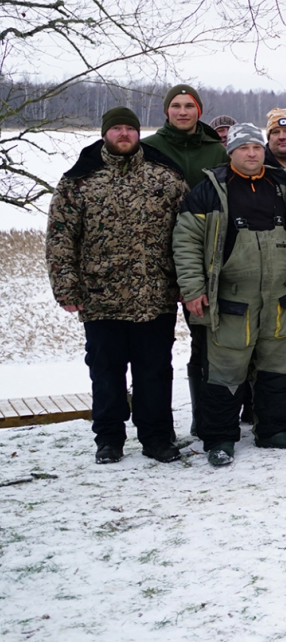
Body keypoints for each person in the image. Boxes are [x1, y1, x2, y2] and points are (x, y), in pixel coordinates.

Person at [173, 124, 286, 466]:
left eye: (257, 147)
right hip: (231, 300)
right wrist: (193, 289)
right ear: (231, 152)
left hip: (280, 297)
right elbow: (186, 244)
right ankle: (220, 438)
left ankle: (272, 431)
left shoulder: (283, 186)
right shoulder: (209, 191)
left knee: (278, 368)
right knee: (225, 372)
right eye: (244, 148)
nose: (252, 153)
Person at [47, 107, 187, 464]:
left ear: (139, 133)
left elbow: (189, 235)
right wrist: (66, 287)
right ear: (105, 133)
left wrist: (188, 282)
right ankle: (109, 439)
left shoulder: (166, 177)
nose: (123, 134)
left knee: (155, 371)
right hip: (100, 297)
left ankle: (156, 437)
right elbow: (61, 237)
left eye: (130, 128)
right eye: (117, 129)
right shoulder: (79, 180)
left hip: (155, 296)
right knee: (106, 372)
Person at [142, 84, 228, 438]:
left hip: (207, 260)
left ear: (199, 111)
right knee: (154, 351)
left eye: (188, 106)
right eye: (175, 106)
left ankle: (205, 418)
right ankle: (157, 428)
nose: (182, 112)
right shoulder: (149, 148)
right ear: (166, 111)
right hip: (155, 261)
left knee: (206, 343)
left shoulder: (215, 150)